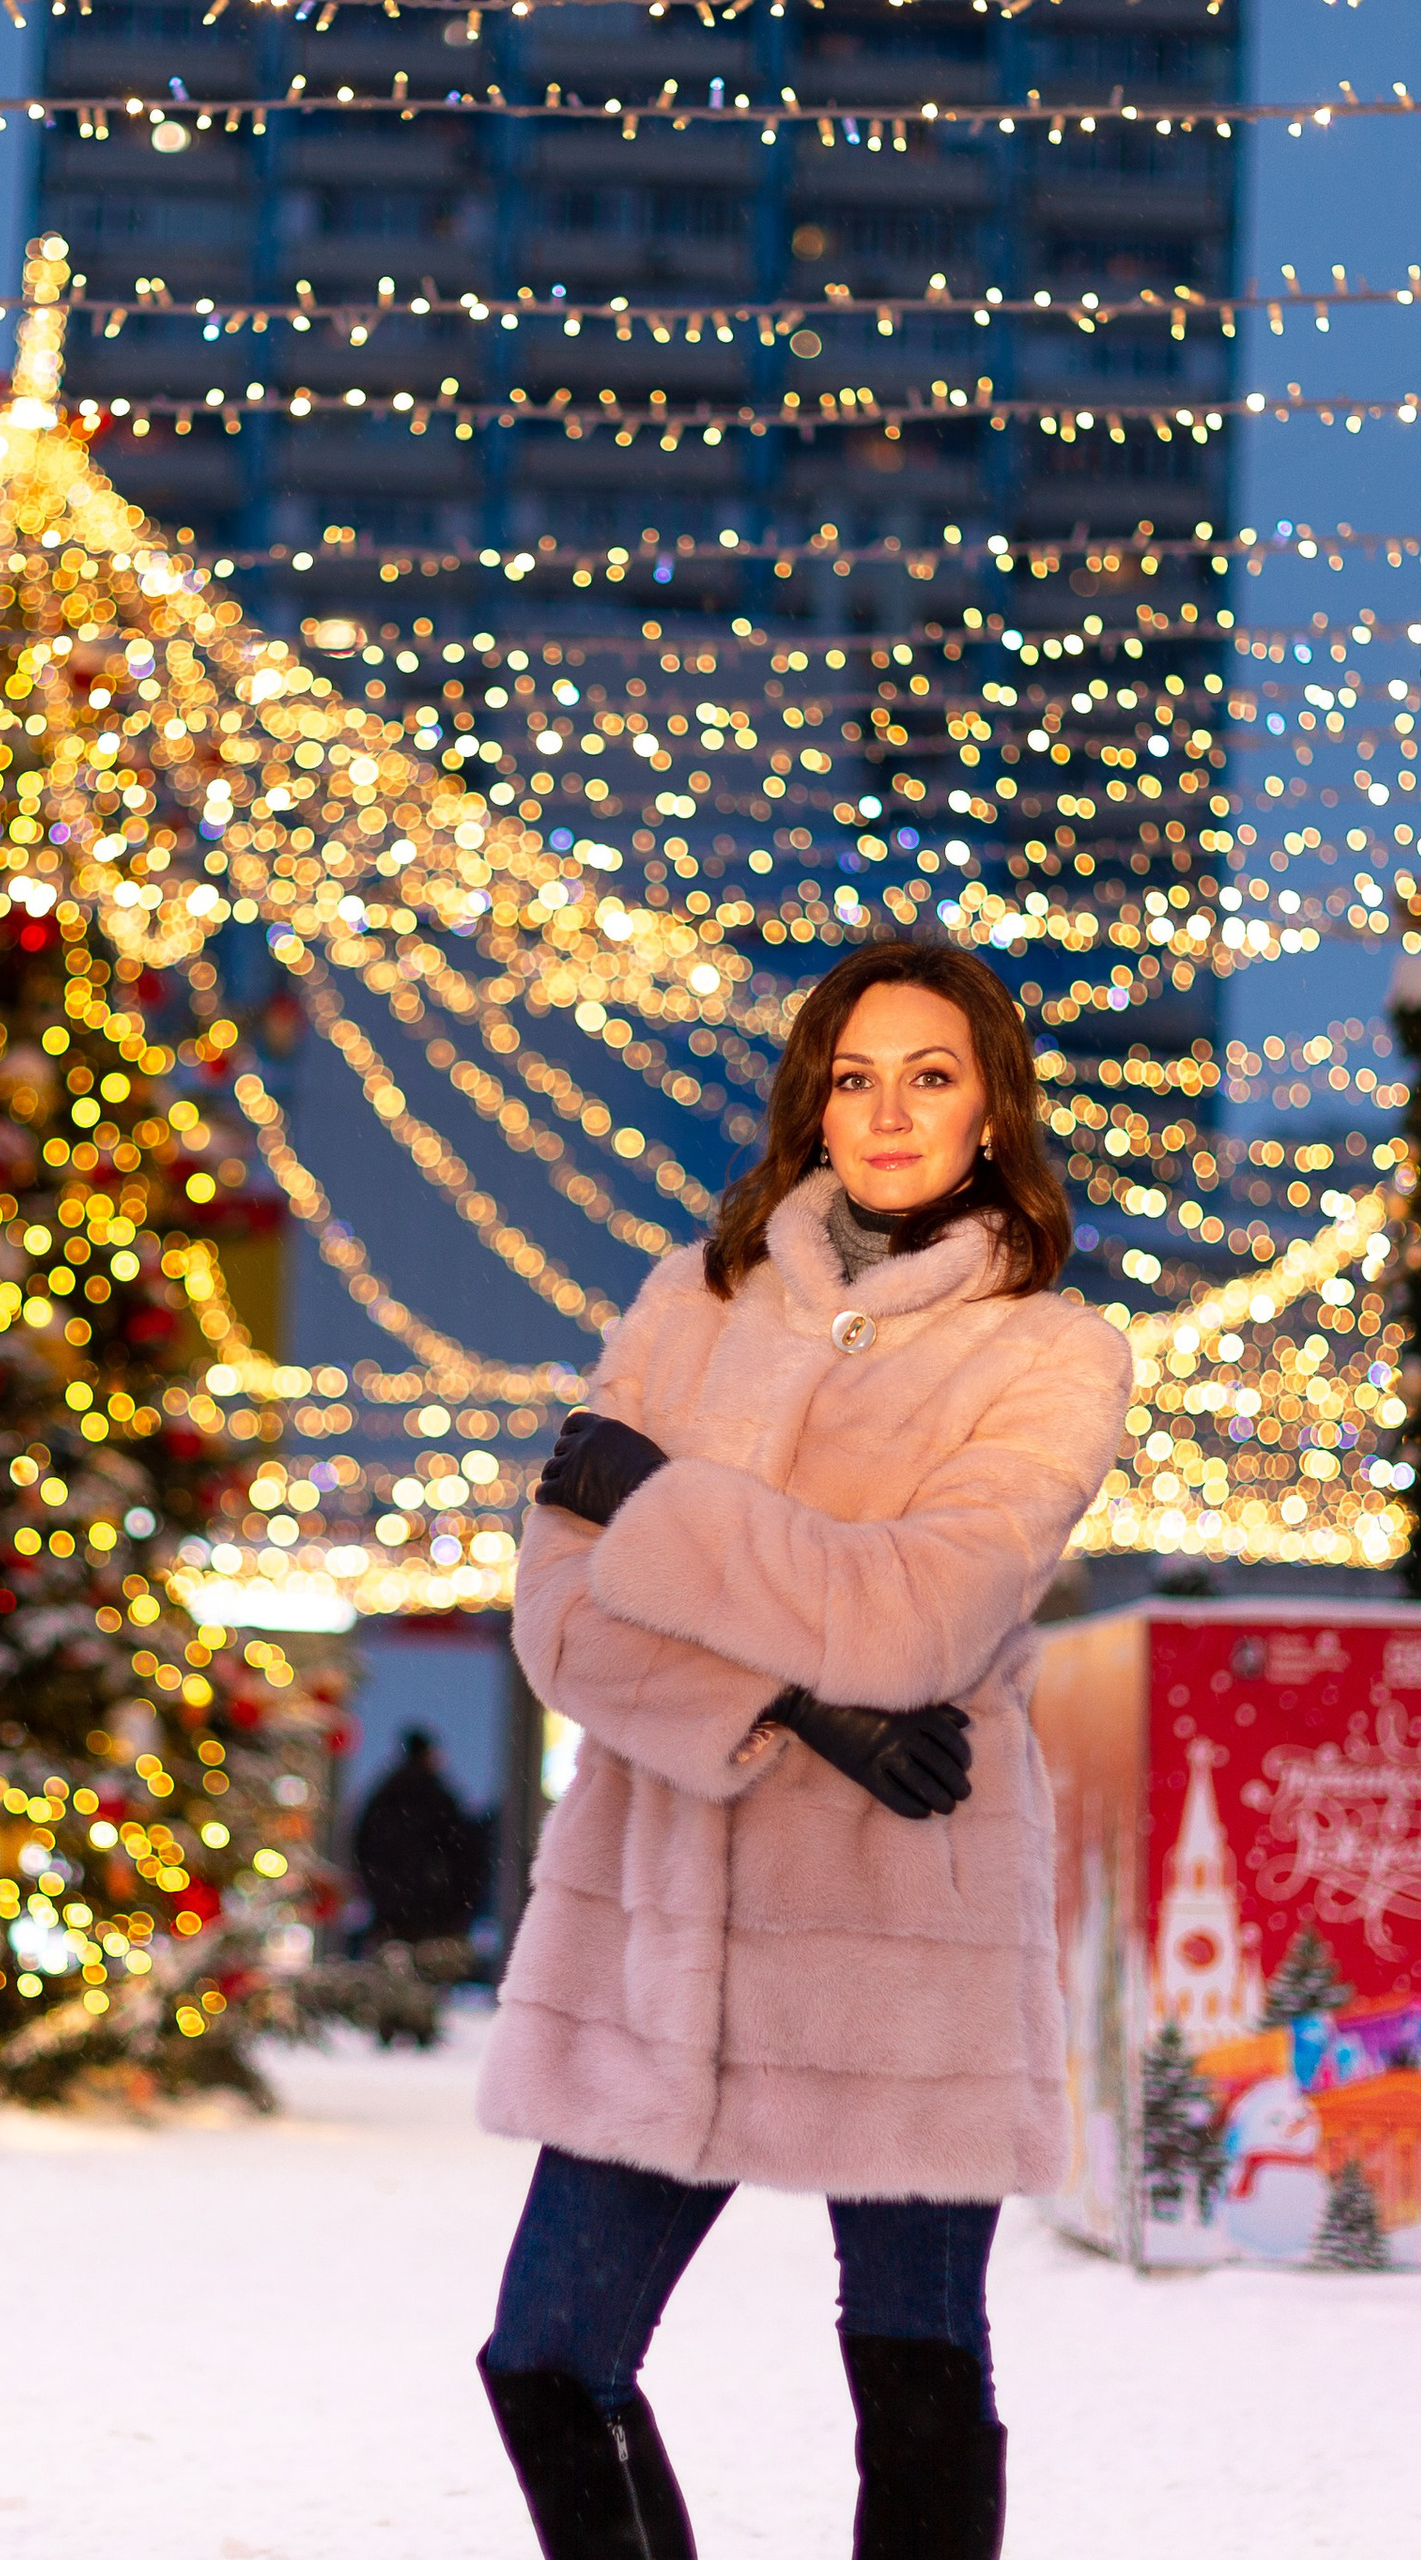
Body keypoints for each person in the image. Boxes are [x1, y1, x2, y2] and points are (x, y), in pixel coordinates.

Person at [475, 942, 1134, 2560]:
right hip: (663, 1931)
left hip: (902, 1931)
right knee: (544, 2356)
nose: (889, 1112)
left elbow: (920, 1616)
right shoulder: (689, 1305)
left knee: (914, 2374)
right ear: (812, 1107)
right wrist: (794, 1713)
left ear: (992, 1112)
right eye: (855, 1077)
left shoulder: (1048, 1353)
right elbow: (560, 1620)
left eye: (931, 1076)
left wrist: (655, 1502)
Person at [353, 1726, 487, 1952]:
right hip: (435, 1916)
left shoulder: (384, 1798)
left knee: (391, 1965)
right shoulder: (439, 1798)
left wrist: (381, 1895)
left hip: (391, 1916)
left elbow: (364, 1850)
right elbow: (464, 1852)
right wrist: (459, 1904)